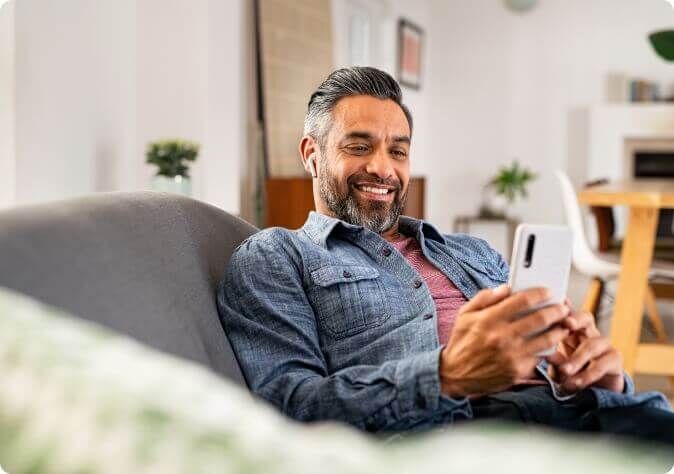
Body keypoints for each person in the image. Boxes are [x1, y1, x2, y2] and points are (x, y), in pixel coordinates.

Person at [217, 66, 674, 446]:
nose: (383, 167)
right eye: (358, 146)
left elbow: (555, 364)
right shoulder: (278, 255)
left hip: (595, 415)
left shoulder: (471, 252)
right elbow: (289, 409)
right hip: (466, 438)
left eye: (398, 150)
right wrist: (448, 375)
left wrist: (601, 375)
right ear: (311, 154)